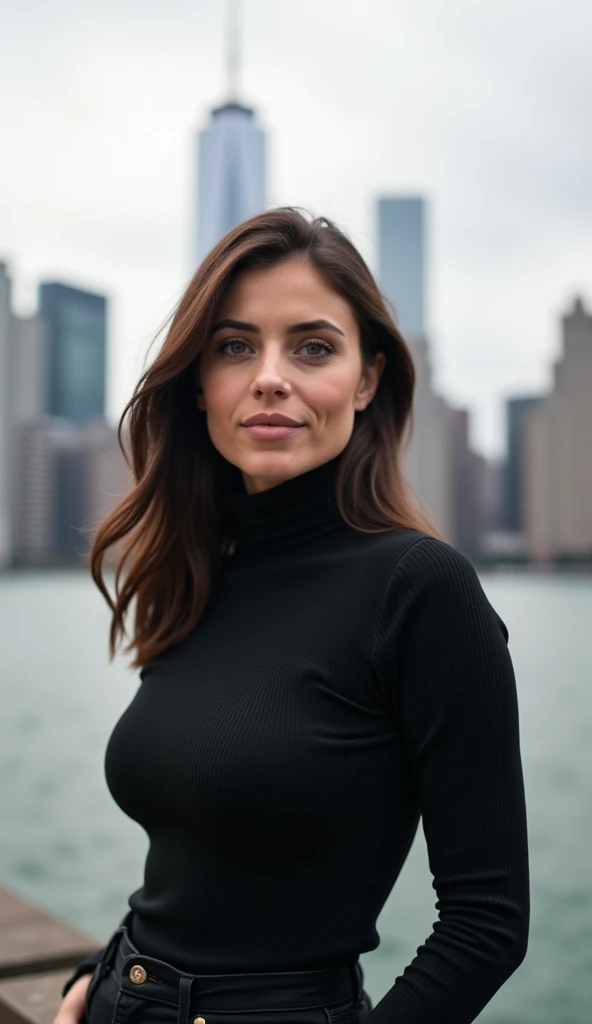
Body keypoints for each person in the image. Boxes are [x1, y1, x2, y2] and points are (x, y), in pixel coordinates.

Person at [52, 207, 529, 1024]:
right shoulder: (200, 570)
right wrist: (93, 981)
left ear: (368, 378)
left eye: (313, 347)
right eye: (236, 346)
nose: (270, 376)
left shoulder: (420, 589)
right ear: (200, 383)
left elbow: (488, 926)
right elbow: (190, 862)